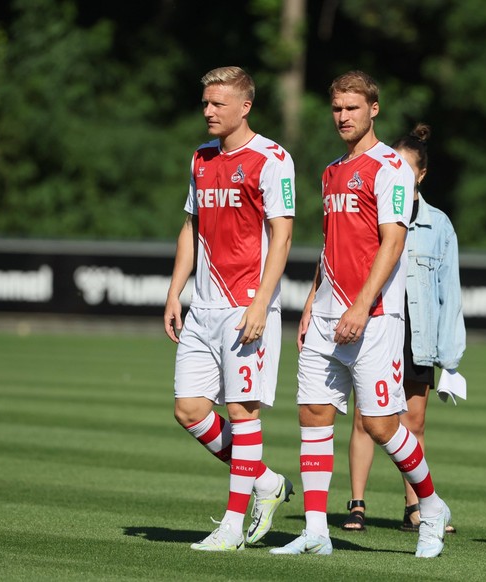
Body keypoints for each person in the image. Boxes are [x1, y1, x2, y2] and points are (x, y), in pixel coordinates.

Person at [270, 71, 452, 558]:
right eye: (336, 109)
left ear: (374, 108)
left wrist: (360, 305)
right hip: (327, 314)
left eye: (352, 108)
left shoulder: (390, 166)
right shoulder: (329, 171)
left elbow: (393, 241)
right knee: (312, 414)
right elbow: (332, 247)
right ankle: (315, 530)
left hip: (374, 317)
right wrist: (313, 302)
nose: (343, 117)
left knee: (381, 426)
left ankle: (431, 507)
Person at [163, 66, 295, 552]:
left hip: (246, 308)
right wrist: (176, 291)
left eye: (218, 103)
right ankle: (265, 481)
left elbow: (282, 235)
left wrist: (261, 303)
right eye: (205, 103)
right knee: (189, 410)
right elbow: (191, 228)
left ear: (245, 106)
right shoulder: (200, 158)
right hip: (203, 307)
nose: (208, 111)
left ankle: (232, 529)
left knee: (242, 412)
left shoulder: (272, 158)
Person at [341, 123, 465, 534]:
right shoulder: (369, 211)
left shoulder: (439, 224)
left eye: (407, 167)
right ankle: (356, 503)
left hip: (418, 333)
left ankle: (416, 506)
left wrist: (451, 361)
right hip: (376, 322)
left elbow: (450, 294)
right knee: (365, 418)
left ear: (422, 174)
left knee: (412, 422)